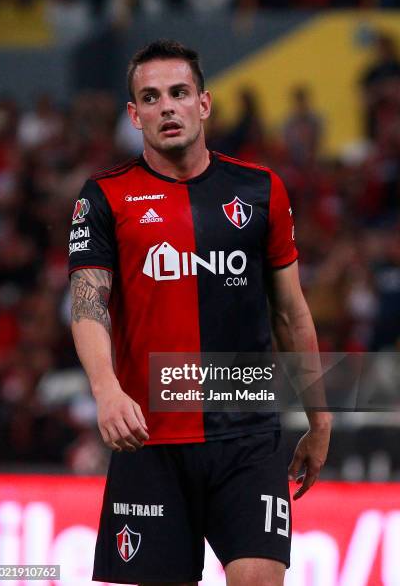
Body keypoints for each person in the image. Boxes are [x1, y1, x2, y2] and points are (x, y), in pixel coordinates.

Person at [68, 39, 332, 586]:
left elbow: (291, 313)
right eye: (151, 96)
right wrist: (106, 389)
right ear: (133, 114)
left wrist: (320, 416)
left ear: (204, 104)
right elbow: (88, 303)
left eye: (179, 93)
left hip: (247, 435)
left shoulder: (259, 191)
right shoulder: (104, 198)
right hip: (150, 438)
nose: (167, 106)